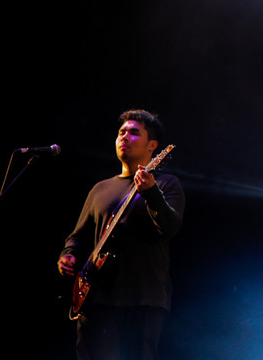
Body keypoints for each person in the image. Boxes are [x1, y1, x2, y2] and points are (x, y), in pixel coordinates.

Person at [57, 109, 185, 360]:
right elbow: (78, 236)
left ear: (153, 146)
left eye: (134, 133)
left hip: (142, 299)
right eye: (121, 132)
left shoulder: (166, 184)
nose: (124, 136)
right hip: (96, 299)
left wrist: (151, 193)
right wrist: (68, 254)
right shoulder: (100, 188)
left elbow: (169, 227)